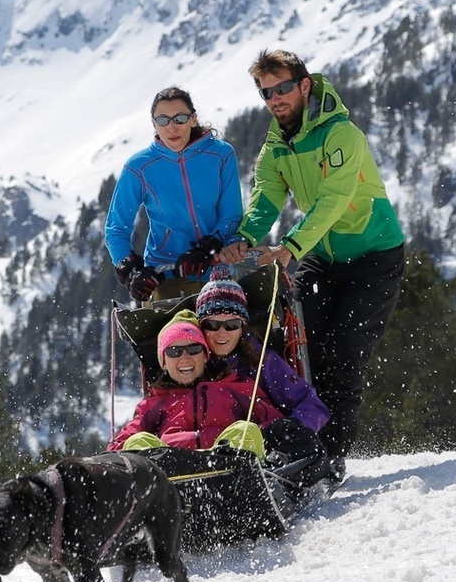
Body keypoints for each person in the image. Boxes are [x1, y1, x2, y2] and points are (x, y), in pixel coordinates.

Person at [218, 50, 405, 482]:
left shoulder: (342, 134)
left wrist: (290, 246)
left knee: (342, 353)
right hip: (323, 257)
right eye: (266, 92)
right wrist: (245, 238)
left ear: (304, 85)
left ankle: (331, 457)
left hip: (373, 258)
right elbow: (266, 198)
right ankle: (301, 446)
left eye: (282, 87)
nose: (275, 98)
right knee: (299, 349)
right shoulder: (276, 145)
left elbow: (334, 200)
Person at [106, 87, 243, 303]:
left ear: (193, 119)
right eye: (163, 120)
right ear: (154, 124)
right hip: (164, 274)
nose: (171, 127)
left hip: (215, 269)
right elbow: (116, 228)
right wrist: (132, 271)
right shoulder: (139, 167)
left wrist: (208, 247)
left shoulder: (220, 154)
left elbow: (232, 214)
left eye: (180, 118)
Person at [191, 268, 329, 473]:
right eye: (212, 324)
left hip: (259, 448)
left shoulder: (263, 361)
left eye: (232, 324)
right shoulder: (189, 362)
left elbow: (311, 405)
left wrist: (291, 427)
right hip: (204, 453)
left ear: (242, 326)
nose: (222, 333)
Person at [106, 320, 281, 454]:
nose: (184, 358)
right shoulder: (155, 401)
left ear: (205, 356)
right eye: (174, 351)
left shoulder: (235, 387)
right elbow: (124, 440)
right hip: (172, 471)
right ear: (164, 362)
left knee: (246, 431)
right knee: (139, 441)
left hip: (228, 462)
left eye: (193, 349)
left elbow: (274, 422)